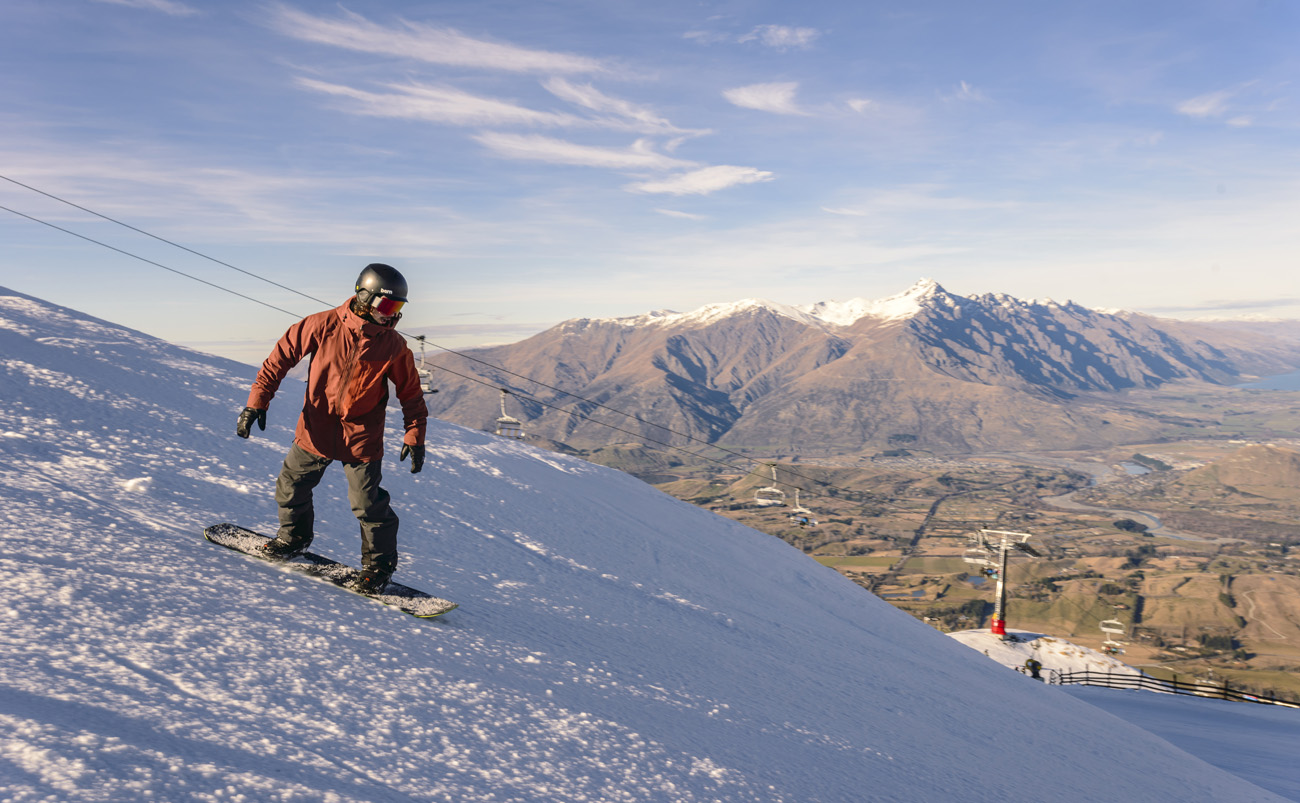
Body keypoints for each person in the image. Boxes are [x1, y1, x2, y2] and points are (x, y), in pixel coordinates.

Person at [235, 263, 428, 593]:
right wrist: (257, 402)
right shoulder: (321, 325)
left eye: (398, 308)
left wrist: (415, 435)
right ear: (364, 297)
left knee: (367, 503)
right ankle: (294, 538)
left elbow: (411, 394)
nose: (392, 315)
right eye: (387, 305)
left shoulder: (394, 346)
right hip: (316, 428)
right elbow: (278, 361)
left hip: (361, 436)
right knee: (290, 487)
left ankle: (379, 566)